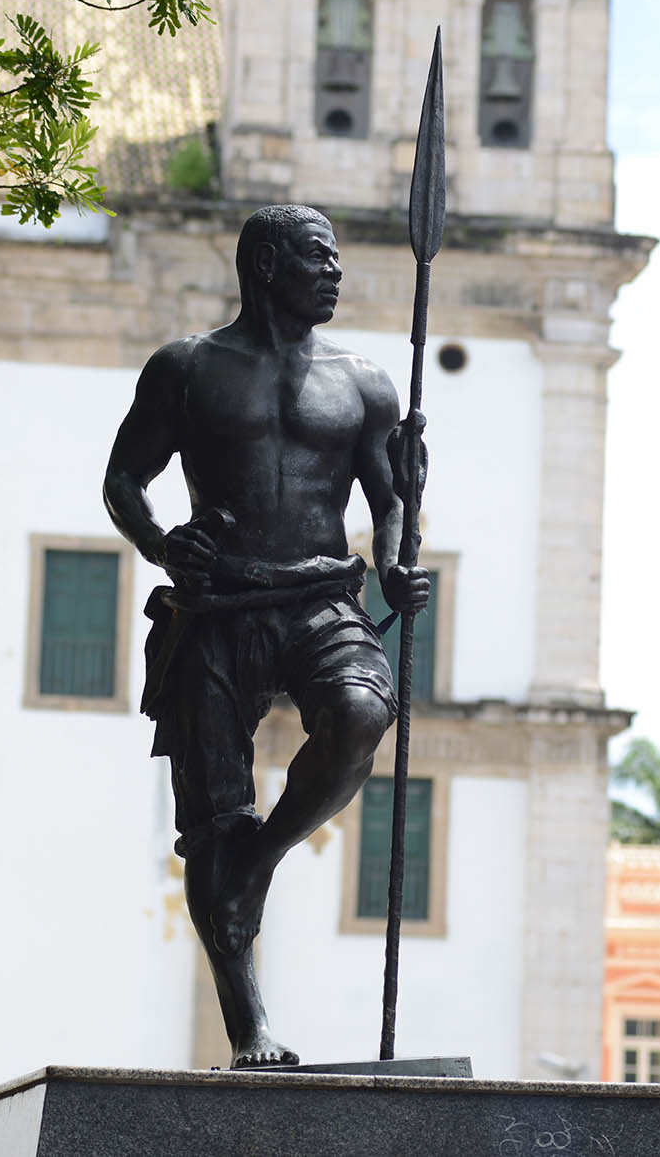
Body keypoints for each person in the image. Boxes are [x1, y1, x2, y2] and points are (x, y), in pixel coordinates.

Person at [103, 204, 429, 1069]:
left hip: (321, 595)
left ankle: (263, 858)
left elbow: (391, 500)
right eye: (319, 258)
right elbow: (124, 479)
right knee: (214, 819)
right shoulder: (187, 368)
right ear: (267, 264)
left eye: (336, 260)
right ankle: (249, 1025)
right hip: (218, 604)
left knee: (362, 713)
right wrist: (161, 543)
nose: (335, 273)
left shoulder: (366, 383)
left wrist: (396, 565)